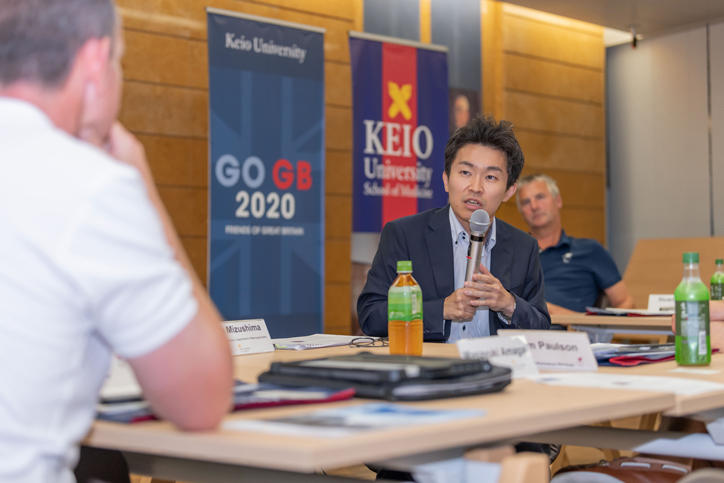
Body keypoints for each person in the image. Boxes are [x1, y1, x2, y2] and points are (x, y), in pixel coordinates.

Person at [0, 1, 233, 481]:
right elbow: (201, 400)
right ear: (94, 61)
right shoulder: (86, 184)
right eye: (119, 62)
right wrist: (141, 185)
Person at [358, 116, 550, 342]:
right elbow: (371, 316)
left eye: (490, 177)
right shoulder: (404, 235)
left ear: (509, 191)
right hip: (430, 362)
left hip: (496, 362)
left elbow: (542, 327)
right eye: (465, 173)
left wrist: (509, 304)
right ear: (446, 180)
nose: (475, 187)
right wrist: (441, 310)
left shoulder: (523, 247)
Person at [516, 174, 634, 314]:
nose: (534, 206)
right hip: (521, 325)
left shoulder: (590, 250)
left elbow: (626, 302)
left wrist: (598, 326)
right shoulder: (514, 253)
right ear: (521, 212)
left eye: (540, 197)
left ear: (558, 201)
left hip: (571, 326)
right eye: (526, 202)